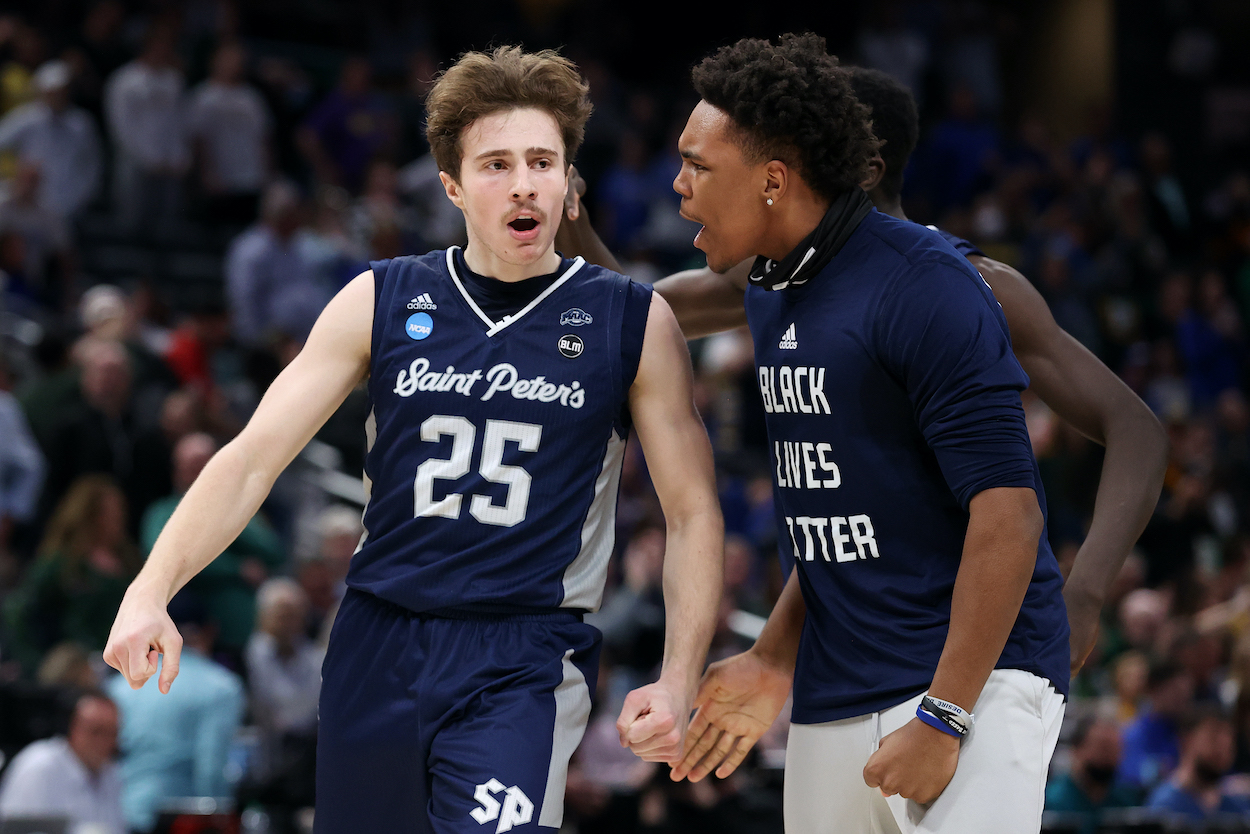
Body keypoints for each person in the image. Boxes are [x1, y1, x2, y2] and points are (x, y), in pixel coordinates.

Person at [104, 45, 723, 833]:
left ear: (571, 186)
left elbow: (694, 512)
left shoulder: (633, 321)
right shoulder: (381, 297)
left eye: (543, 161)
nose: (525, 182)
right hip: (378, 639)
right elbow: (255, 455)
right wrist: (149, 589)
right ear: (453, 187)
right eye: (496, 164)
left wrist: (677, 679)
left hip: (522, 653)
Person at [576, 33, 1067, 832]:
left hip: (978, 677)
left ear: (773, 178)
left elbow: (1010, 518)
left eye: (698, 165)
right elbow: (848, 519)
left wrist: (946, 716)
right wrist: (773, 655)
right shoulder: (774, 289)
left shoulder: (927, 286)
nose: (678, 185)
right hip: (838, 677)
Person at [561, 66, 1167, 681]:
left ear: (864, 166)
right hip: (850, 649)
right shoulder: (776, 272)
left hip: (967, 648)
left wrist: (1086, 592)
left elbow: (1136, 430)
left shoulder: (969, 286)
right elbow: (636, 315)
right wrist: (572, 214)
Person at [106, 592, 245, 833]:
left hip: (119, 814)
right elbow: (210, 768)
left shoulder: (120, 685)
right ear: (210, 630)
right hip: (179, 821)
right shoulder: (221, 687)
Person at [0, 690, 126, 834]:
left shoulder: (111, 773)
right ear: (70, 728)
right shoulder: (39, 766)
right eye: (96, 732)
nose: (105, 742)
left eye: (112, 733)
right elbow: (13, 829)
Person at [1144, 706, 1250, 820]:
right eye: (1213, 738)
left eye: (1229, 740)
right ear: (1187, 740)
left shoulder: (1237, 806)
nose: (1223, 747)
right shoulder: (1165, 807)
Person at [1044, 716, 1140, 834]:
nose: (1108, 757)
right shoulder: (1053, 802)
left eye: (1115, 749)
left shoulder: (1127, 802)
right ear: (1077, 749)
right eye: (1103, 747)